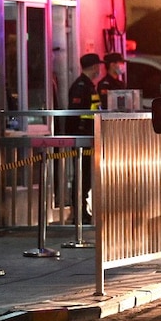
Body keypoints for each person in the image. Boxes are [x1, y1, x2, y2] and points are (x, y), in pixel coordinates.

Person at [66, 52, 104, 224]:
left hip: (89, 138)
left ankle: (82, 211)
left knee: (86, 176)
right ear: (95, 67)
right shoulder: (81, 86)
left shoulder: (89, 85)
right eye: (99, 66)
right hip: (82, 139)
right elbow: (76, 116)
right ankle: (78, 212)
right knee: (81, 176)